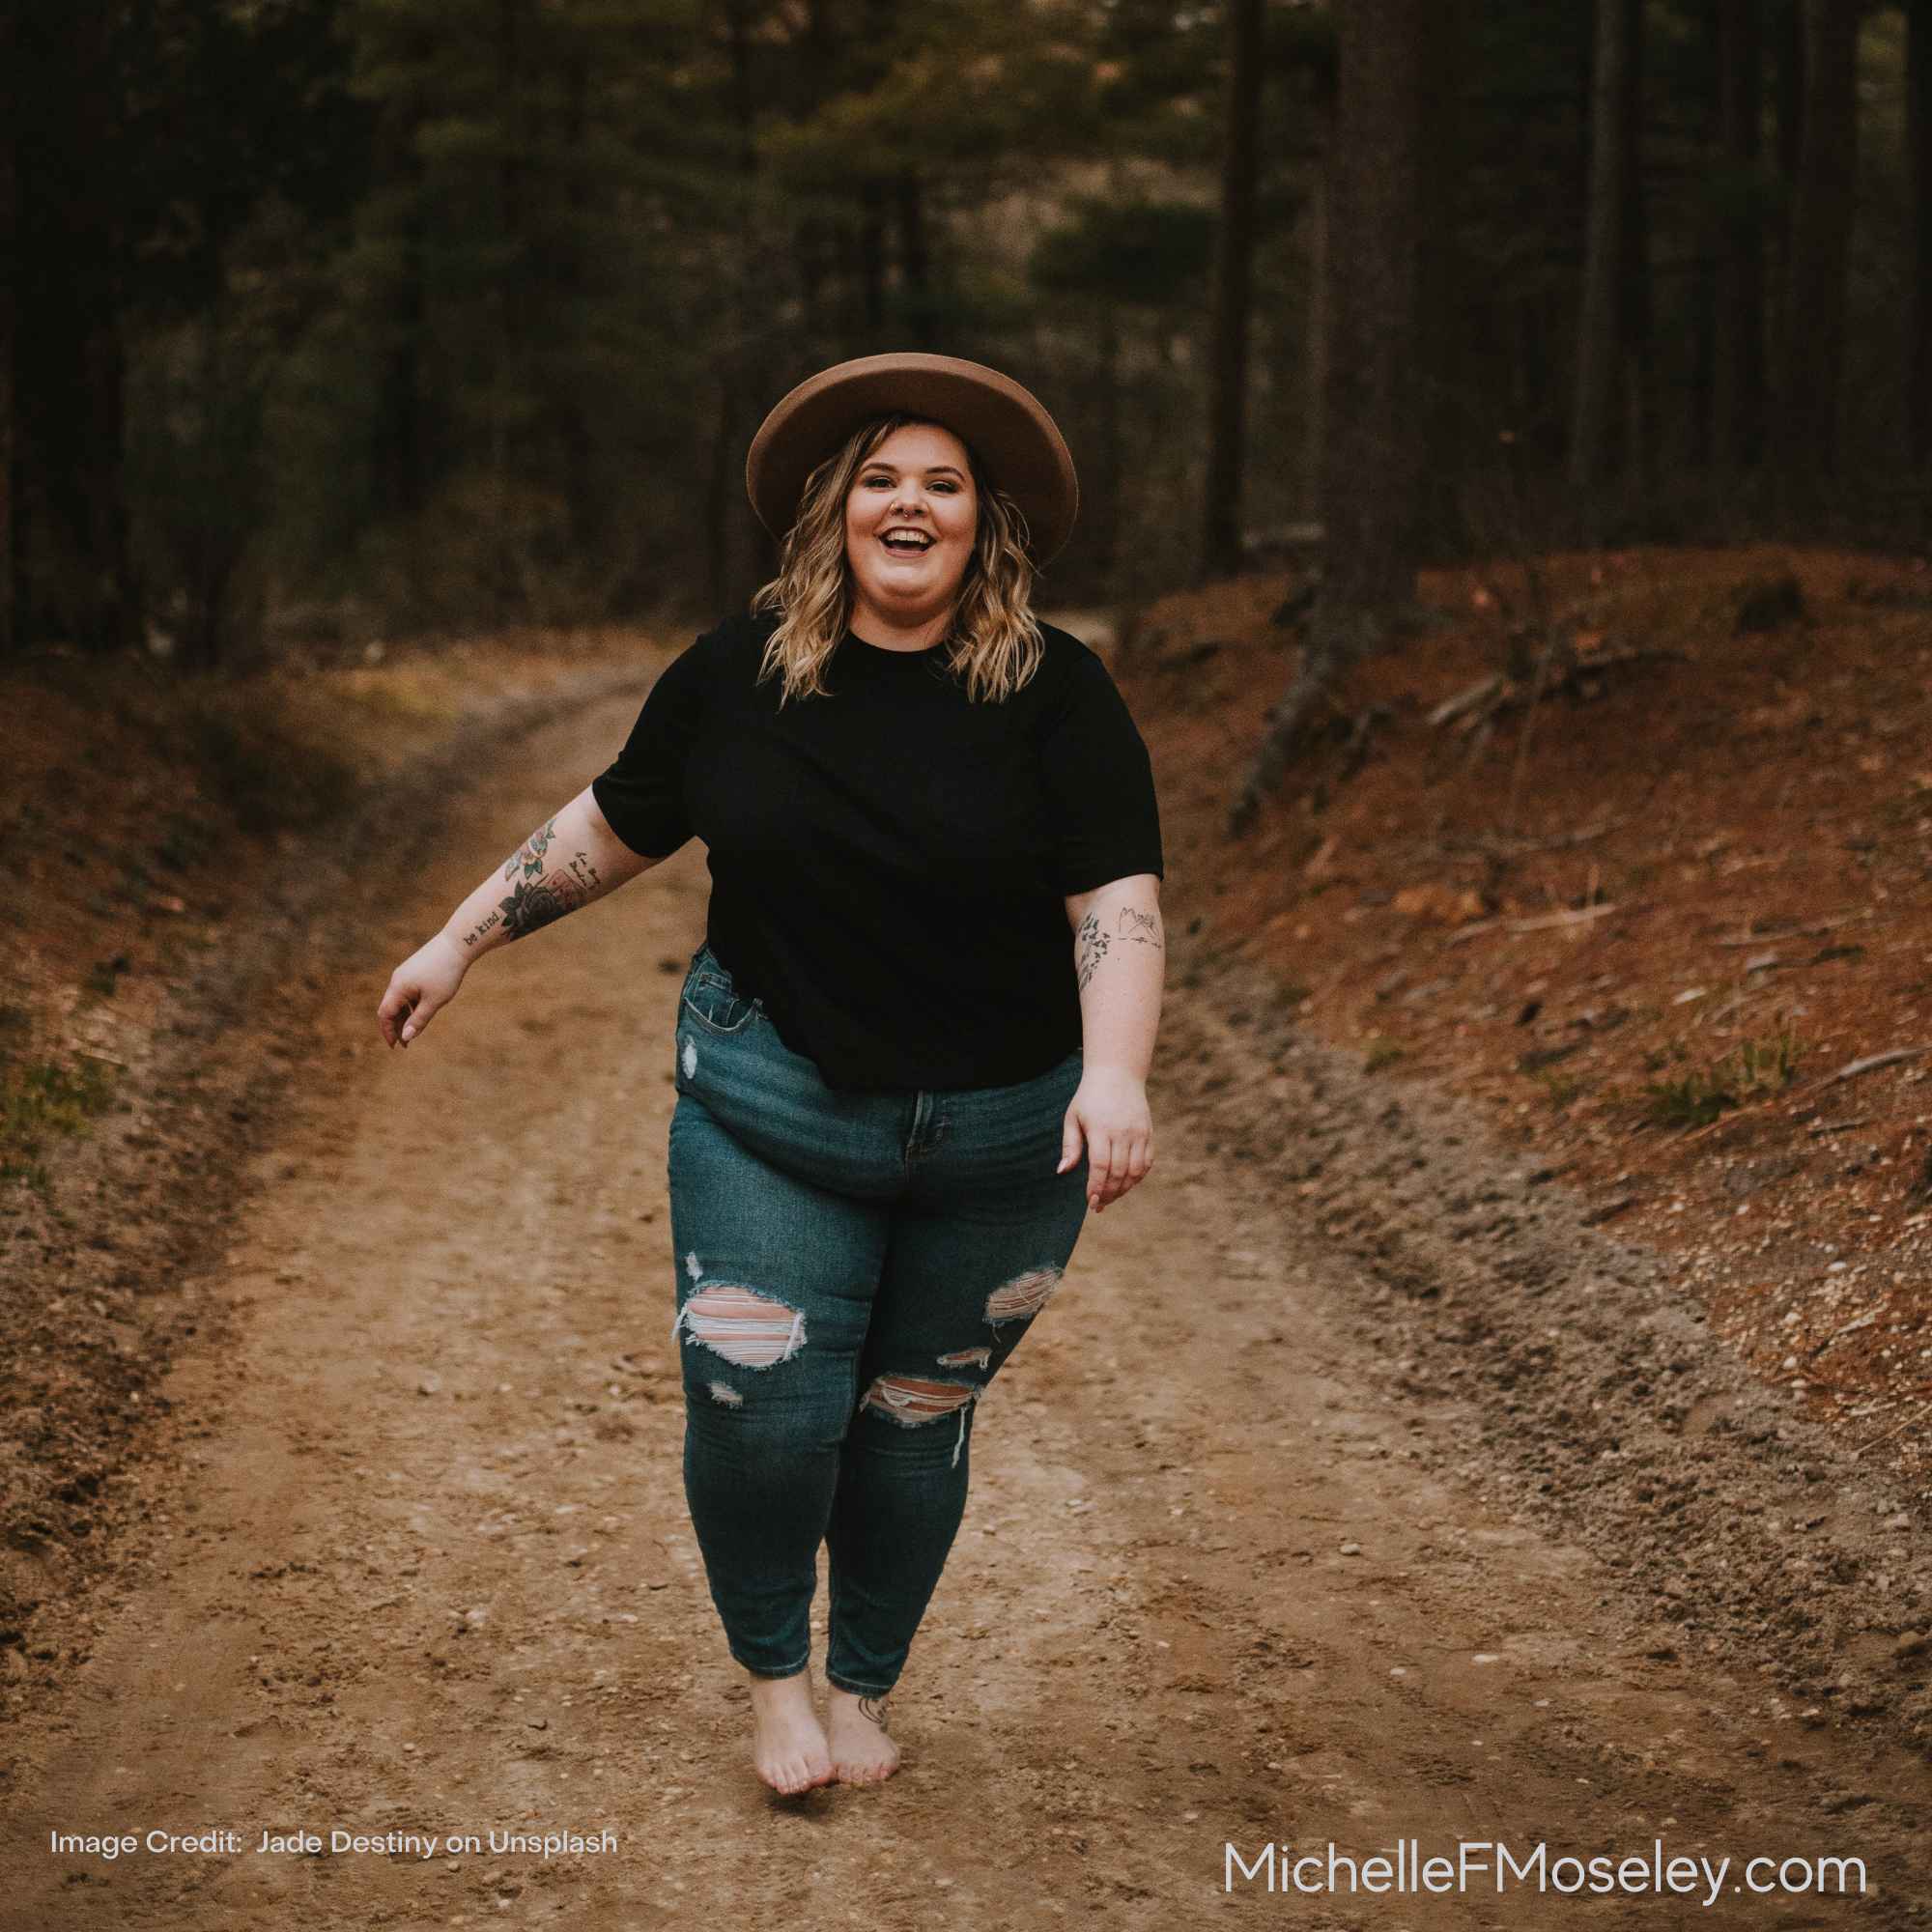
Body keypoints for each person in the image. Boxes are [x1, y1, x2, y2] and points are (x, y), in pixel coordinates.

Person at [376, 352, 1165, 1796]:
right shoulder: (740, 673)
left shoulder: (1060, 692)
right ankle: (775, 1685)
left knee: (913, 1423)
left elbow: (1116, 902)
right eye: (882, 479)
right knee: (764, 1411)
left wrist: (1113, 1077)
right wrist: (458, 938)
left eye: (944, 483)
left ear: (985, 523)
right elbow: (614, 825)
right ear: (836, 510)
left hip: (1001, 1142)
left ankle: (862, 1683)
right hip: (773, 1112)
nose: (910, 504)